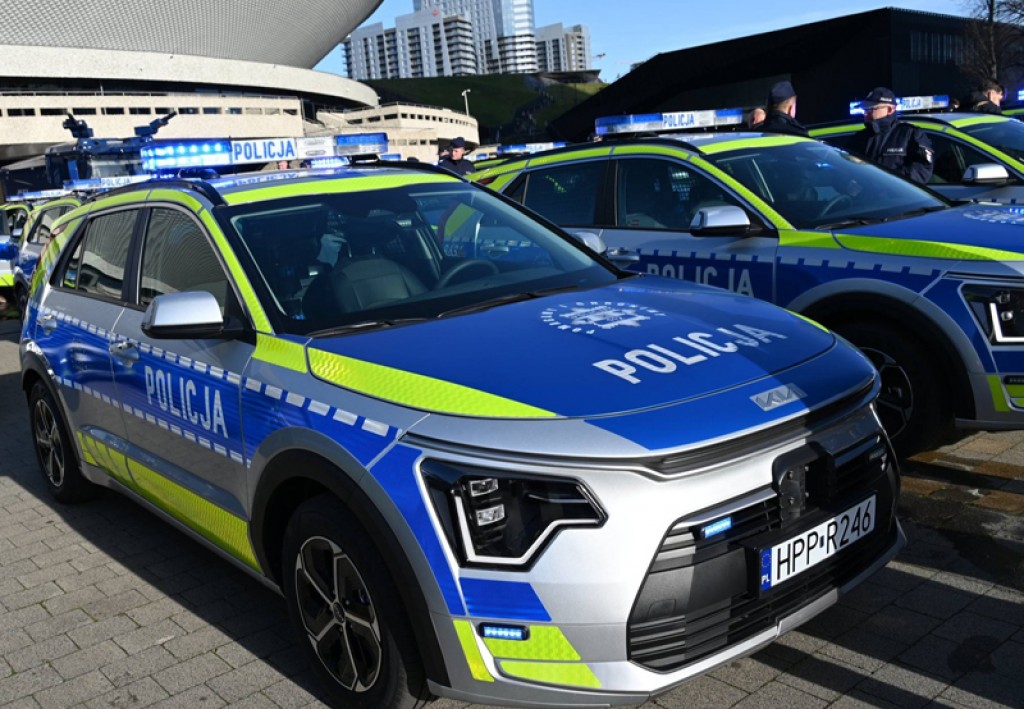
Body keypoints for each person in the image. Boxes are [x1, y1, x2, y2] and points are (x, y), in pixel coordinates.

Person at [848, 86, 934, 184]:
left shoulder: (910, 134)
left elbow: (923, 169)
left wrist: (890, 181)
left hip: (899, 193)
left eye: (871, 109)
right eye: (865, 110)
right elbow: (846, 168)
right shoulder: (859, 138)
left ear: (890, 109)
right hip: (868, 193)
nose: (865, 114)